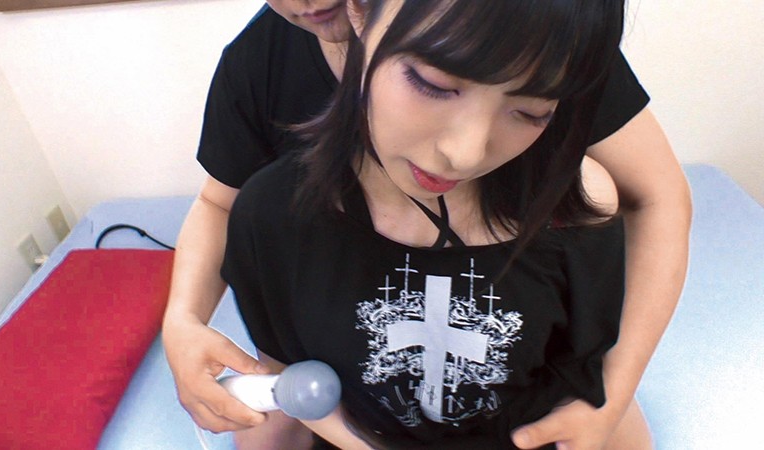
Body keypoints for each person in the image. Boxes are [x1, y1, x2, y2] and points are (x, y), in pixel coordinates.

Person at [162, 0, 690, 448]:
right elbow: (221, 206)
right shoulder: (272, 197)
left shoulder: (550, 39)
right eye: (432, 83)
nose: (464, 154)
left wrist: (613, 392)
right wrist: (184, 318)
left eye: (531, 110)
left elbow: (658, 198)